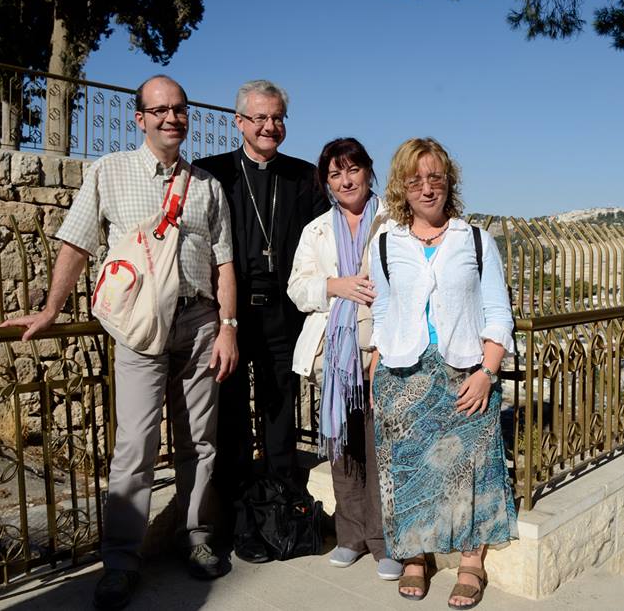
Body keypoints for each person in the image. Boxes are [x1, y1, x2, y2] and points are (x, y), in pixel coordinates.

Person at [2, 75, 238, 609]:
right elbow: (77, 242)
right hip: (138, 327)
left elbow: (225, 262)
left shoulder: (206, 186)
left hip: (200, 322)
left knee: (201, 441)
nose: (171, 118)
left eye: (179, 109)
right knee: (134, 445)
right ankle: (121, 560)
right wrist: (52, 307)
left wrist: (229, 326)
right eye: (159, 110)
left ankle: (197, 538)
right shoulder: (109, 172)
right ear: (140, 119)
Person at [368, 138, 518, 609]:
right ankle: (415, 557)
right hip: (402, 375)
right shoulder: (387, 243)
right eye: (416, 179)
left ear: (449, 181)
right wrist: (375, 372)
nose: (427, 188)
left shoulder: (475, 240)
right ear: (402, 186)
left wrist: (487, 373)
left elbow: (497, 312)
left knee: (471, 470)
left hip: (464, 373)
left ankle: (472, 562)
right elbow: (383, 309)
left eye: (435, 177)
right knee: (406, 467)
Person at [193, 80, 330, 562]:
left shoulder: (305, 178)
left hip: (283, 313)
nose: (270, 126)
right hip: (230, 314)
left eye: (277, 118)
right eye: (260, 118)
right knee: (230, 418)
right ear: (239, 122)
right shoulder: (211, 173)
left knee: (279, 415)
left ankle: (281, 511)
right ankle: (236, 518)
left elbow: (324, 242)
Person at [286, 138, 400, 581]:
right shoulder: (316, 230)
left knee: (379, 448)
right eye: (335, 174)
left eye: (352, 169)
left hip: (381, 348)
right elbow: (298, 289)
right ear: (326, 183)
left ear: (368, 172)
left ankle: (383, 540)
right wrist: (337, 285)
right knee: (342, 446)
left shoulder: (393, 222)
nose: (345, 180)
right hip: (333, 357)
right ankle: (350, 535)